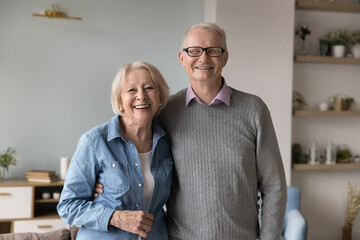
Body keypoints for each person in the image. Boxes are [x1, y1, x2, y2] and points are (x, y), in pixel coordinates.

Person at [94, 23, 287, 240]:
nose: (203, 58)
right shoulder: (165, 112)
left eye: (213, 51)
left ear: (225, 58)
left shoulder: (254, 109)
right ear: (181, 58)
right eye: (194, 51)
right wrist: (102, 186)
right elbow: (133, 148)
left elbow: (274, 187)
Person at [57, 61, 173, 240]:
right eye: (131, 90)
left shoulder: (168, 142)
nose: (141, 96)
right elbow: (67, 206)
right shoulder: (94, 141)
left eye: (149, 87)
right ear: (119, 99)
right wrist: (116, 217)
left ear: (160, 96)